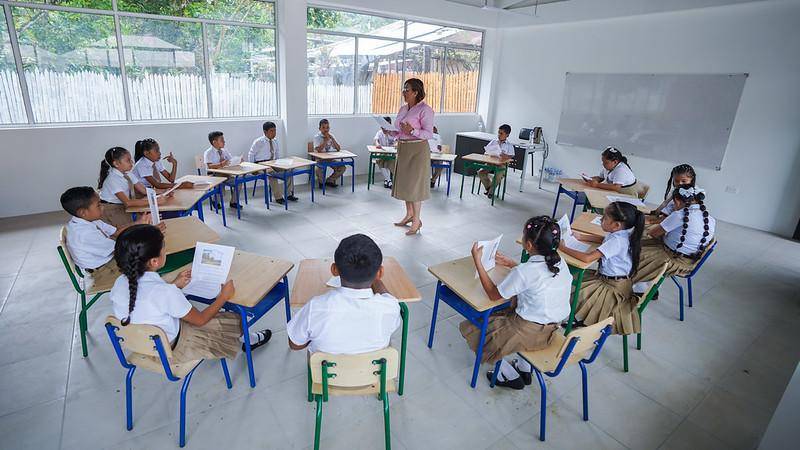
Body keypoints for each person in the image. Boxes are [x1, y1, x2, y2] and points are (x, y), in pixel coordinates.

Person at [110, 224, 272, 362]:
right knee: (236, 317)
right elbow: (200, 320)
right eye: (164, 248)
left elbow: (149, 301)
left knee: (188, 310)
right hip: (173, 349)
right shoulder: (165, 293)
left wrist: (175, 285)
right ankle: (250, 341)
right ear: (154, 261)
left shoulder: (119, 283)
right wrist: (224, 296)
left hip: (141, 345)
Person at [460, 216, 572, 389]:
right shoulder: (560, 262)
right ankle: (524, 368)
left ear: (528, 245)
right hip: (552, 329)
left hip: (529, 331)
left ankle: (510, 376)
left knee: (477, 330)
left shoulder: (524, 272)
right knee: (509, 310)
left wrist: (478, 263)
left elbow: (493, 294)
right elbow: (539, 278)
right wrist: (513, 264)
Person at [286, 234, 401, 354]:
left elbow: (295, 344)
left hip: (329, 371)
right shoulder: (390, 307)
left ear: (334, 270)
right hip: (374, 371)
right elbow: (387, 297)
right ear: (380, 272)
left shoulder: (315, 308)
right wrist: (375, 279)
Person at [558, 201, 645, 335]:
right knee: (571, 278)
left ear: (616, 225)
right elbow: (605, 240)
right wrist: (582, 236)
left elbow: (587, 258)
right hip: (614, 280)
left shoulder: (617, 241)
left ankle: (577, 316)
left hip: (611, 288)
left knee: (570, 286)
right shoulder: (624, 233)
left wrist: (562, 247)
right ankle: (582, 316)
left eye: (604, 218)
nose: (601, 220)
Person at [61, 186, 161, 280]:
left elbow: (116, 232)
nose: (103, 207)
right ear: (83, 212)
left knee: (150, 248)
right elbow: (122, 248)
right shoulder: (84, 234)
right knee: (150, 256)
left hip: (108, 260)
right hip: (103, 271)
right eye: (98, 205)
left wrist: (139, 223)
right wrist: (148, 232)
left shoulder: (88, 220)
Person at [634, 185, 715, 290]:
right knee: (641, 241)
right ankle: (642, 286)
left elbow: (653, 233)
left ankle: (639, 289)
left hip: (673, 259)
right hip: (690, 261)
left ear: (676, 200)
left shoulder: (679, 215)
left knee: (635, 249)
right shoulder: (709, 218)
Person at [389, 78, 435, 235]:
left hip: (418, 150)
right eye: (403, 89)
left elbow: (429, 133)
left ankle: (417, 221)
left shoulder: (425, 110)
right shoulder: (403, 109)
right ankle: (409, 215)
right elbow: (400, 130)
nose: (404, 92)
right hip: (403, 148)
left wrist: (413, 131)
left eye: (407, 89)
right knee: (405, 184)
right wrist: (391, 131)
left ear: (416, 92)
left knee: (415, 186)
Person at [98, 146, 164, 227]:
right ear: (116, 164)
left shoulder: (128, 173)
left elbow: (143, 190)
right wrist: (154, 201)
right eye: (128, 160)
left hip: (123, 206)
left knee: (147, 221)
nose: (132, 162)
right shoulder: (112, 179)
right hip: (112, 210)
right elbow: (128, 203)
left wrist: (164, 192)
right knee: (136, 227)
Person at [249, 121, 298, 204]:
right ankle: (278, 197)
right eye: (271, 131)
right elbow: (251, 154)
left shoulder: (275, 141)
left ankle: (289, 194)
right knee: (272, 173)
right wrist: (253, 168)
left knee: (289, 170)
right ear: (265, 132)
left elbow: (277, 153)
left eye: (275, 130)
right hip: (261, 164)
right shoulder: (259, 142)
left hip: (273, 162)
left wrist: (280, 163)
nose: (274, 133)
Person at [203, 131, 242, 209]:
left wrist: (238, 160)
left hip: (225, 173)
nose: (224, 141)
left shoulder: (224, 150)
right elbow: (209, 166)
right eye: (222, 140)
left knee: (239, 182)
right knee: (221, 189)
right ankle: (215, 201)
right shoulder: (208, 152)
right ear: (214, 142)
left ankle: (233, 202)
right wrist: (221, 164)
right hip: (214, 175)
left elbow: (230, 160)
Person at [478, 124, 515, 199]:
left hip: (502, 165)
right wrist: (489, 153)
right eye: (498, 133)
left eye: (501, 133)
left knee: (499, 174)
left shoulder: (509, 146)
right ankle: (489, 188)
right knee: (480, 172)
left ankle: (491, 192)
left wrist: (504, 155)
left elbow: (511, 157)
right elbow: (486, 152)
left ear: (507, 135)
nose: (499, 135)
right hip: (491, 162)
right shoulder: (493, 142)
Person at [313, 119, 346, 189]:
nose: (326, 130)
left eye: (327, 127)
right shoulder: (317, 137)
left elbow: (338, 148)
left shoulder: (331, 136)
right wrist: (325, 141)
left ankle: (329, 180)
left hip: (330, 159)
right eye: (323, 128)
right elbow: (318, 150)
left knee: (342, 167)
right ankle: (321, 183)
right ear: (320, 128)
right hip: (320, 159)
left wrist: (332, 139)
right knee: (318, 169)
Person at [373, 117, 397, 189]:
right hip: (382, 154)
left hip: (391, 155)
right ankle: (389, 181)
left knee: (386, 161)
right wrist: (377, 144)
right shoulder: (379, 132)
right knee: (381, 160)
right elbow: (375, 140)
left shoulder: (393, 133)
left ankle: (387, 180)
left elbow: (397, 141)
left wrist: (395, 144)